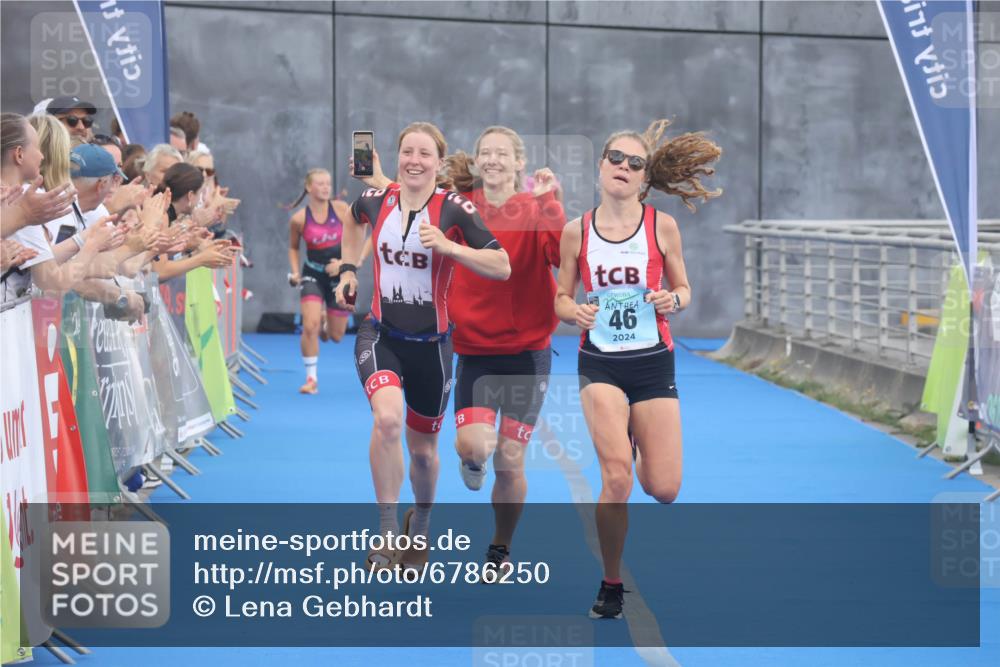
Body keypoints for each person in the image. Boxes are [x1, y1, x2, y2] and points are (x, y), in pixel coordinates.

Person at [356, 126, 565, 575]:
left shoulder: (533, 207)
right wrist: (374, 177)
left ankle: (500, 547)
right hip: (470, 347)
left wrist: (550, 203)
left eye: (502, 154)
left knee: (510, 461)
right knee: (471, 448)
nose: (492, 160)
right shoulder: (457, 202)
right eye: (485, 152)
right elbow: (408, 192)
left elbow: (559, 255)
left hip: (527, 351)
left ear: (519, 163)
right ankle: (471, 463)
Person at [554, 119, 721, 619]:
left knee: (664, 489)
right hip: (600, 362)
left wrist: (674, 298)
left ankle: (634, 434)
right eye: (615, 158)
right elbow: (562, 297)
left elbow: (685, 290)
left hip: (651, 361)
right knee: (618, 478)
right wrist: (573, 311)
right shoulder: (575, 231)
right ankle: (610, 582)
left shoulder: (661, 226)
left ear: (645, 177)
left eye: (635, 163)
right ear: (601, 165)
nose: (623, 168)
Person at [336, 122, 510, 570]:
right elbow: (352, 221)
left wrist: (452, 250)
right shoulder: (378, 199)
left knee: (424, 452)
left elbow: (501, 264)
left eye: (424, 154)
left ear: (438, 162)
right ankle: (387, 533)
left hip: (433, 348)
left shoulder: (454, 209)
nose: (415, 160)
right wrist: (349, 270)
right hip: (382, 336)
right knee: (388, 420)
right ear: (397, 158)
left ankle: (423, 525)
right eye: (407, 151)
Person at [286, 168, 363, 394]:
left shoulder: (341, 210)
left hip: (340, 276)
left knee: (337, 336)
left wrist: (343, 263)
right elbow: (292, 247)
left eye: (328, 183)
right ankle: (311, 379)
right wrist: (294, 272)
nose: (325, 187)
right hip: (312, 274)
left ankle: (325, 322)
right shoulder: (299, 219)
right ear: (309, 187)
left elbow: (359, 236)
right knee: (309, 325)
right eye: (320, 183)